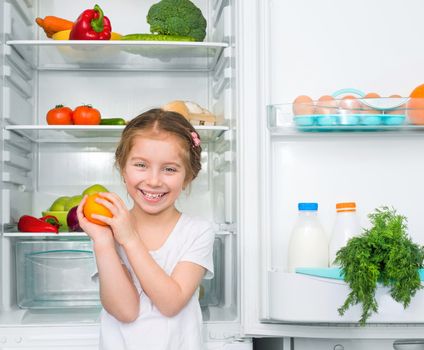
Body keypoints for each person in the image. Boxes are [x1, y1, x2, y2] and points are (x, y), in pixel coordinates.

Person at [76, 108, 215, 350]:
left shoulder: (198, 231)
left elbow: (171, 303)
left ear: (188, 176)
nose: (153, 180)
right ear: (123, 168)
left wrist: (130, 239)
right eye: (141, 165)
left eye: (169, 169)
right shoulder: (107, 231)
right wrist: (103, 242)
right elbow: (125, 311)